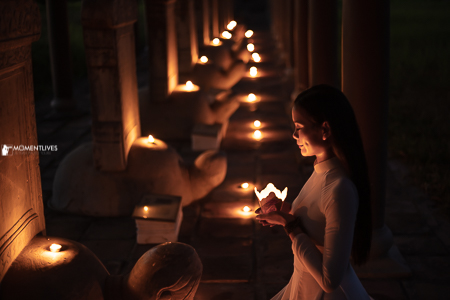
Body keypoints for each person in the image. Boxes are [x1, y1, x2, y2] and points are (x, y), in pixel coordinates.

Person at [256, 84, 373, 300]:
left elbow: (330, 281)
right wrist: (284, 211)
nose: (293, 135)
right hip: (300, 287)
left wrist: (290, 226)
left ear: (325, 130)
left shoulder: (341, 190)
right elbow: (316, 222)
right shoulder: (321, 171)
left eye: (298, 127)